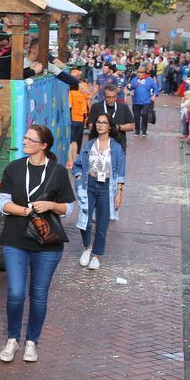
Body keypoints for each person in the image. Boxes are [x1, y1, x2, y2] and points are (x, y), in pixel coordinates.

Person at [0, 124, 75, 364]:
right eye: (25, 138)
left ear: (44, 145)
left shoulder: (58, 172)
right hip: (15, 240)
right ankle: (13, 339)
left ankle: (31, 342)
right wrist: (25, 211)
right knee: (16, 292)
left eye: (30, 139)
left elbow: (69, 208)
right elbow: (3, 204)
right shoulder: (14, 168)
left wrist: (50, 205)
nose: (25, 142)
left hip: (47, 243)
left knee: (39, 295)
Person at [72, 114, 125, 271]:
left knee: (102, 224)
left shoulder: (116, 147)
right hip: (89, 184)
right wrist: (79, 176)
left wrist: (119, 192)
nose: (100, 125)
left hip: (107, 187)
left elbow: (121, 170)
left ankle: (96, 255)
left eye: (104, 122)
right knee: (85, 221)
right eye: (98, 122)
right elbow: (77, 165)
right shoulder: (89, 144)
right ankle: (87, 248)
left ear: (109, 126)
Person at [86, 84, 134, 152]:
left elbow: (132, 126)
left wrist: (118, 127)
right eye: (108, 97)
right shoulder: (96, 107)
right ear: (104, 96)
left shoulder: (123, 107)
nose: (111, 100)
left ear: (116, 96)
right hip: (99, 145)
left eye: (113, 97)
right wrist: (103, 126)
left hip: (118, 145)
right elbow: (90, 126)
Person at [129, 67, 158, 137]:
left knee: (145, 115)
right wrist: (129, 87)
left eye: (140, 73)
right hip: (136, 101)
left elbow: (155, 88)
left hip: (146, 101)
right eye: (138, 73)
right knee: (136, 116)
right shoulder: (134, 79)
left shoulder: (149, 80)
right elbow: (131, 87)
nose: (138, 74)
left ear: (144, 73)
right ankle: (137, 130)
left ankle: (144, 130)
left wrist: (154, 95)